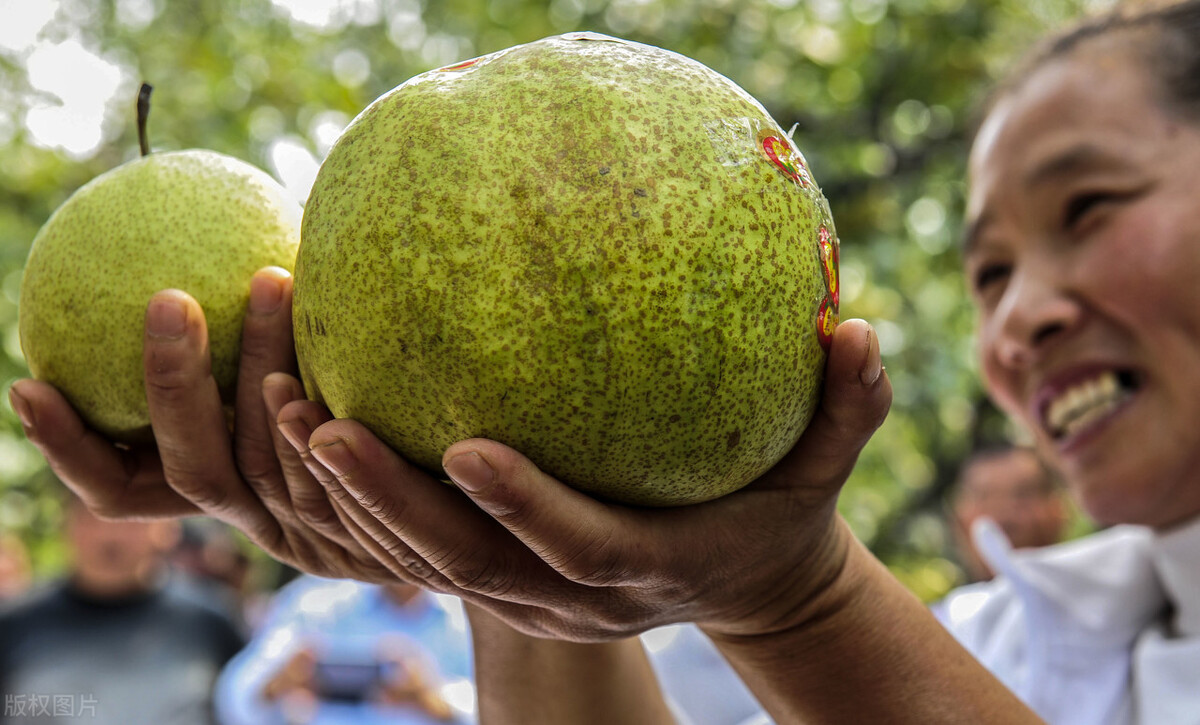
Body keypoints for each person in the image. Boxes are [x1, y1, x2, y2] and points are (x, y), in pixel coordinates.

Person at [10, 1, 1200, 722]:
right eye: (988, 273)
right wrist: (493, 544)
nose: (1022, 316)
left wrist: (797, 598)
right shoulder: (1026, 641)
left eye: (1089, 204)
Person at [0, 490, 245, 725]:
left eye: (129, 519)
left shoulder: (210, 623)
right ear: (66, 521)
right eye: (92, 516)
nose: (110, 536)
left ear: (166, 526)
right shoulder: (13, 624)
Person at [214, 575, 475, 725]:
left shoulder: (467, 613)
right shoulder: (316, 603)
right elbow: (235, 695)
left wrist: (431, 698)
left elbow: (502, 709)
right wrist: (279, 682)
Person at [946, 445, 1068, 582]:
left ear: (1058, 508)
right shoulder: (953, 603)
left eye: (1023, 494)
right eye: (985, 497)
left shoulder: (1092, 589)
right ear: (958, 520)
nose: (1004, 510)